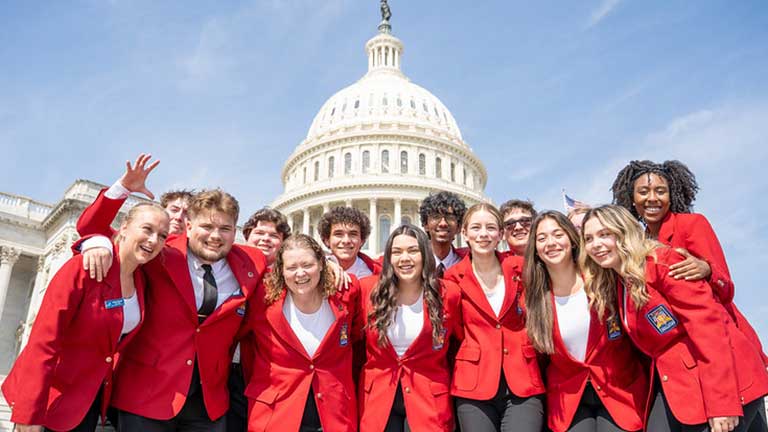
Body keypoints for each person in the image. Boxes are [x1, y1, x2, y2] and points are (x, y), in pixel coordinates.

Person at [75, 161, 267, 431]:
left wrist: (331, 263)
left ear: (235, 232)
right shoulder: (161, 254)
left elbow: (296, 264)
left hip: (208, 403)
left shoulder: (252, 262)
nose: (215, 236)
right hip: (147, 395)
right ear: (188, 226)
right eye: (207, 227)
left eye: (225, 229)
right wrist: (117, 201)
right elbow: (89, 226)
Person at [581, 205, 768, 432]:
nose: (595, 244)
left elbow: (709, 330)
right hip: (678, 384)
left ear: (623, 231)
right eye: (588, 238)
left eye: (604, 234)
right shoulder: (619, 282)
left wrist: (722, 404)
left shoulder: (664, 262)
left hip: (724, 381)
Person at [2, 203, 169, 432]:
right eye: (147, 229)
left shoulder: (142, 280)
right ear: (125, 226)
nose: (153, 240)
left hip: (89, 402)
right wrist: (29, 412)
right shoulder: (83, 267)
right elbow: (43, 342)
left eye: (162, 235)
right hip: (51, 398)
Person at [611, 160, 768, 365]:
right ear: (631, 198)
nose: (652, 198)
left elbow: (727, 289)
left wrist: (708, 270)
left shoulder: (691, 224)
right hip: (677, 353)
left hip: (719, 339)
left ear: (671, 195)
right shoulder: (637, 244)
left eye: (660, 191)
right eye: (643, 192)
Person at [523, 211, 647, 432]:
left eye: (557, 234)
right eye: (541, 239)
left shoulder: (603, 278)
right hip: (570, 398)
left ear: (572, 238)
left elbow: (639, 256)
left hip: (619, 391)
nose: (551, 243)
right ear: (535, 249)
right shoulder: (533, 299)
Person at [243, 234, 361, 432]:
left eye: (307, 265)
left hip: (334, 410)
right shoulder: (260, 295)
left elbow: (357, 337)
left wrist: (333, 261)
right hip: (277, 411)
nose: (300, 274)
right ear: (280, 270)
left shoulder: (347, 290)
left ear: (322, 264)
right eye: (291, 268)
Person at [444, 203, 545, 432]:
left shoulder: (519, 268)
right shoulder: (452, 278)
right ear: (464, 233)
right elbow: (456, 328)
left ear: (500, 234)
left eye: (491, 228)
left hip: (522, 377)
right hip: (474, 381)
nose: (483, 234)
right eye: (476, 228)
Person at [358, 225, 463, 432]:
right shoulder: (367, 290)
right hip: (378, 398)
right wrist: (331, 263)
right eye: (396, 252)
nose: (404, 258)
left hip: (428, 399)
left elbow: (459, 342)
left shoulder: (449, 293)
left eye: (413, 250)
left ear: (425, 253)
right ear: (388, 258)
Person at [224, 208, 292, 432]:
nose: (265, 239)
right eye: (259, 232)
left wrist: (329, 262)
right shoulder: (227, 263)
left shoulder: (289, 277)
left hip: (262, 370)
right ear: (247, 235)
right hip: (223, 365)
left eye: (274, 235)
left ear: (282, 243)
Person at [77, 154, 193, 281]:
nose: (179, 217)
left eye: (187, 214)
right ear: (161, 211)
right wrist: (123, 187)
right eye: (174, 210)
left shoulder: (196, 256)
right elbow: (89, 227)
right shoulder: (129, 240)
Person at [319, 206, 382, 278]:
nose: (346, 241)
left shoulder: (373, 275)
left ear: (362, 240)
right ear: (327, 240)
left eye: (353, 234)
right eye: (338, 234)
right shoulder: (316, 272)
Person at [418, 191, 469, 276]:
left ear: (459, 227)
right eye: (436, 217)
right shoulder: (416, 265)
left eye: (450, 217)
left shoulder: (469, 264)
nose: (443, 223)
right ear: (426, 225)